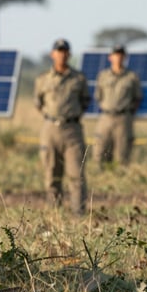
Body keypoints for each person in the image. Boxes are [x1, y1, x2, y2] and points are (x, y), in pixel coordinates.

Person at [34, 38, 90, 214]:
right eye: (59, 51)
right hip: (50, 128)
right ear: (53, 54)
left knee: (76, 174)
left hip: (72, 129)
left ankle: (78, 213)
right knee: (51, 174)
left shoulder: (79, 79)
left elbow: (85, 101)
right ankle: (54, 214)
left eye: (65, 51)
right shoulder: (43, 79)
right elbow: (38, 102)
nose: (62, 54)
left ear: (69, 54)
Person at [93, 45, 142, 167]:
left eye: (121, 55)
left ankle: (119, 182)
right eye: (116, 55)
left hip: (124, 119)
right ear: (110, 57)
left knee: (122, 155)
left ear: (125, 57)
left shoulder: (132, 77)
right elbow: (98, 96)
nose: (118, 57)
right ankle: (101, 181)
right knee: (100, 153)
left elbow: (138, 98)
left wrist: (128, 114)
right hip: (106, 118)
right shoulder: (103, 76)